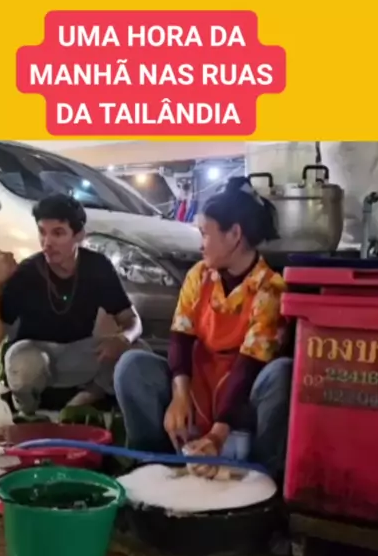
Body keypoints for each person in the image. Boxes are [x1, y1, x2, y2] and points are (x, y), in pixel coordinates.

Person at [114, 177, 293, 478]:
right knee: (132, 365)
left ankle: (263, 477)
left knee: (281, 373)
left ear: (234, 234)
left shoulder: (270, 288)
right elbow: (180, 338)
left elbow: (247, 368)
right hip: (198, 392)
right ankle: (154, 467)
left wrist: (217, 435)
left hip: (240, 406)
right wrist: (179, 395)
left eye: (205, 234)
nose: (200, 244)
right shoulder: (200, 275)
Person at [0, 193, 143, 414]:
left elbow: (132, 320)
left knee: (138, 352)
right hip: (34, 354)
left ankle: (80, 404)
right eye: (42, 232)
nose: (47, 243)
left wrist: (123, 339)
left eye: (58, 233)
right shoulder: (28, 272)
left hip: (78, 354)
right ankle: (26, 412)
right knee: (26, 364)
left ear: (79, 235)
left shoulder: (97, 266)